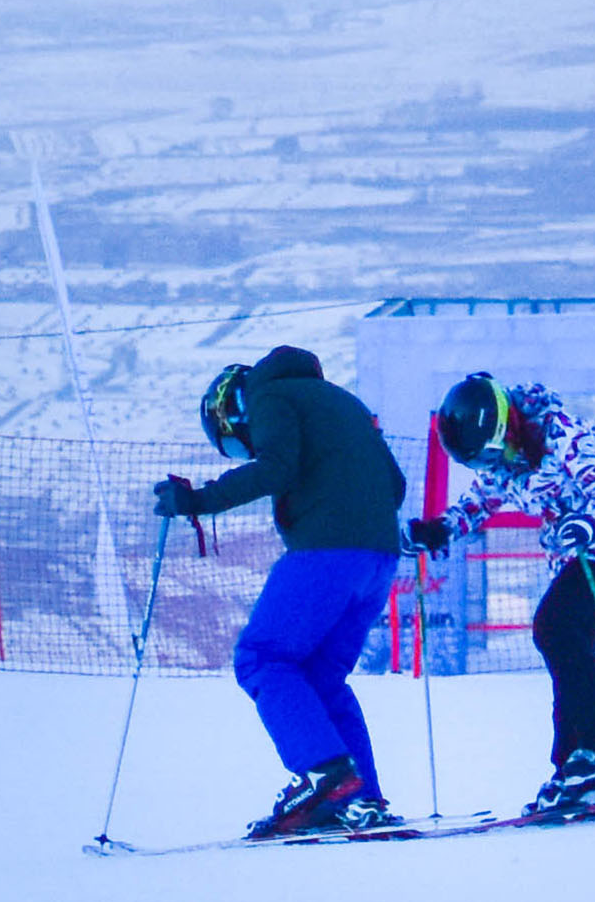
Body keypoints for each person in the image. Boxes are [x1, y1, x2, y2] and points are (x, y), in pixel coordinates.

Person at [152, 345, 409, 838]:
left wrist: (197, 501)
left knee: (261, 658)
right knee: (320, 677)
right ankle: (361, 799)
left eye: (234, 443)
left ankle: (327, 779)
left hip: (325, 554)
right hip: (379, 558)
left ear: (232, 411)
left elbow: (277, 469)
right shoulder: (342, 402)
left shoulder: (268, 397)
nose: (243, 450)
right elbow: (394, 484)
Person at [416, 373, 595, 820]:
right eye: (484, 460)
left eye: (494, 452)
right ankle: (576, 766)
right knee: (567, 646)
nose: (496, 463)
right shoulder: (504, 459)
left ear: (506, 426)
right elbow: (481, 501)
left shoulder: (562, 433)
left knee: (555, 628)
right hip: (569, 548)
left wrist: (590, 523)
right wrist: (441, 529)